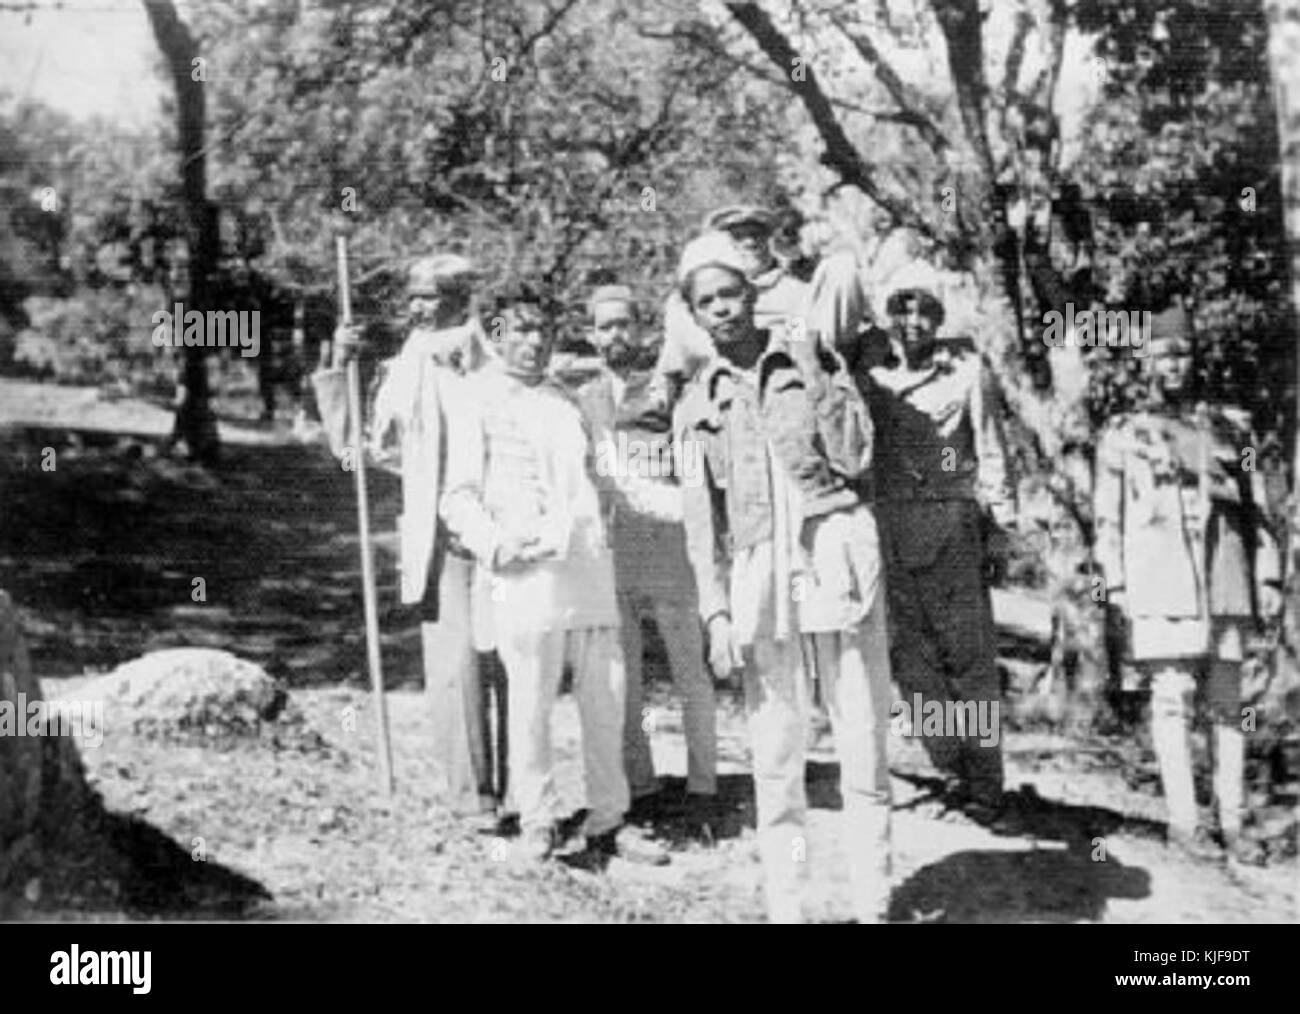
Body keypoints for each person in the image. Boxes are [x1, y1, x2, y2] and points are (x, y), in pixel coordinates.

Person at [673, 232, 893, 923]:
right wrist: (714, 613)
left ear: (753, 293)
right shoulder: (697, 401)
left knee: (861, 743)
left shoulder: (809, 357)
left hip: (834, 553)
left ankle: (873, 904)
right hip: (759, 574)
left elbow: (858, 456)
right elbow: (701, 523)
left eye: (731, 294)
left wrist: (816, 372)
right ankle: (789, 909)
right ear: (693, 313)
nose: (722, 310)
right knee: (777, 757)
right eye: (706, 302)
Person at [439, 288, 668, 867]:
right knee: (531, 705)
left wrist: (695, 507)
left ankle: (609, 820)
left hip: (588, 571)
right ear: (494, 335)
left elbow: (617, 481)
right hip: (526, 577)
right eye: (518, 330)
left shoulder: (572, 401)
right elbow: (458, 497)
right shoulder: (474, 401)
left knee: (606, 700)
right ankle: (537, 821)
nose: (533, 342)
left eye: (541, 329)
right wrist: (496, 543)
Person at [314, 254, 502, 819]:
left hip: (502, 528)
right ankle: (472, 798)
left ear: (460, 297)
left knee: (511, 662)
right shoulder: (405, 366)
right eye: (413, 297)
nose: (417, 308)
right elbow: (362, 449)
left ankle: (522, 792)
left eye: (430, 295)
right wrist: (339, 366)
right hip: (438, 537)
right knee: (455, 667)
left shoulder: (492, 356)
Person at [1094, 304, 1281, 863]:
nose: (1173, 366)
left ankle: (1233, 822)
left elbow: (1261, 513)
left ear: (1195, 359)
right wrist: (1118, 585)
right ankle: (1184, 822)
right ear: (1146, 364)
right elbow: (1108, 518)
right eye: (1162, 357)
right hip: (1160, 583)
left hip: (1226, 580)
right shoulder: (1123, 433)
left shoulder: (1233, 427)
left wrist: (1267, 576)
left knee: (1228, 706)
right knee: (1171, 701)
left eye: (1182, 354)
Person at [565, 284, 719, 827]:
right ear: (591, 334)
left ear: (640, 328)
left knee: (688, 667)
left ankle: (705, 787)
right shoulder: (582, 396)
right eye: (604, 327)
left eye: (624, 324)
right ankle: (642, 783)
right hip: (613, 545)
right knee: (621, 672)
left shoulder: (665, 385)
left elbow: (690, 454)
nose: (616, 336)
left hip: (669, 540)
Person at [863, 286, 1015, 821]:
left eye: (924, 309)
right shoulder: (871, 379)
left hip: (952, 521)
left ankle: (986, 784)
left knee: (968, 660)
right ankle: (951, 767)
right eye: (901, 308)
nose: (912, 320)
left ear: (938, 316)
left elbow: (991, 452)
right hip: (889, 525)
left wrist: (1000, 528)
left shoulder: (967, 374)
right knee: (912, 661)